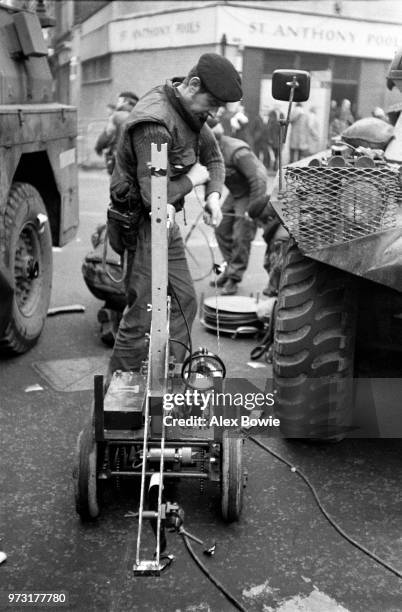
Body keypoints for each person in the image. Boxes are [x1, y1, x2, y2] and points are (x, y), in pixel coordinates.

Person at [107, 53, 242, 377]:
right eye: (214, 103)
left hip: (165, 224)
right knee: (141, 313)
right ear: (193, 85)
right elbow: (153, 197)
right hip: (141, 223)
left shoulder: (190, 111)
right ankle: (119, 394)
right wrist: (194, 179)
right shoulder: (155, 123)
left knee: (185, 299)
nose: (215, 113)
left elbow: (214, 159)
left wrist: (211, 195)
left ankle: (168, 372)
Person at [210, 120, 269, 295]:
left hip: (249, 193)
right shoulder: (210, 150)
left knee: (241, 234)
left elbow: (259, 177)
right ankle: (229, 269)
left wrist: (253, 210)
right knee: (221, 228)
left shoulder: (237, 151)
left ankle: (234, 278)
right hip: (235, 192)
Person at [95, 91, 139, 175]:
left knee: (119, 185)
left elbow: (107, 135)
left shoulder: (116, 116)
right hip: (136, 159)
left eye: (119, 101)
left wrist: (98, 147)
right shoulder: (139, 116)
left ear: (126, 102)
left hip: (119, 157)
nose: (117, 103)